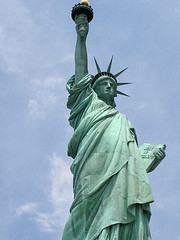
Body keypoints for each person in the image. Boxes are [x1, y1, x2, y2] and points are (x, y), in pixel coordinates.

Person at [62, 14, 165, 240]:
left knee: (123, 201)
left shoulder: (122, 120)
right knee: (86, 207)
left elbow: (131, 163)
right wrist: (81, 37)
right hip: (91, 168)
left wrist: (148, 158)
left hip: (122, 175)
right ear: (93, 89)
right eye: (103, 84)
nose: (109, 86)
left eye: (112, 85)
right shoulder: (87, 105)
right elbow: (80, 67)